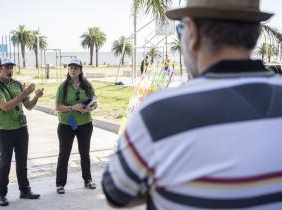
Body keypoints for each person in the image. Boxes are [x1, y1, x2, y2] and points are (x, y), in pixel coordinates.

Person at [102, 0, 282, 209]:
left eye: (181, 29)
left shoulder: (159, 113)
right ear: (257, 33)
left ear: (193, 35)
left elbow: (116, 193)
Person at [0, 58, 43, 206]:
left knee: (22, 161)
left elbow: (29, 106)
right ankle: (2, 194)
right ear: (0, 69)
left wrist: (36, 96)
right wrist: (23, 93)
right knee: (5, 163)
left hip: (21, 129)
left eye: (11, 67)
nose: (9, 70)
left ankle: (24, 190)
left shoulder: (17, 84)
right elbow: (5, 106)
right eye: (6, 67)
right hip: (4, 130)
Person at [55, 58, 97, 194]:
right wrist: (72, 107)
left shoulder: (87, 86)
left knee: (85, 153)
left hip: (85, 124)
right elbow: (58, 107)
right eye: (71, 67)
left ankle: (88, 179)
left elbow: (95, 102)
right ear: (68, 70)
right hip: (67, 125)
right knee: (64, 154)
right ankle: (60, 184)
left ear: (80, 70)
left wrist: (89, 108)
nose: (73, 70)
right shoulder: (63, 87)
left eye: (76, 68)